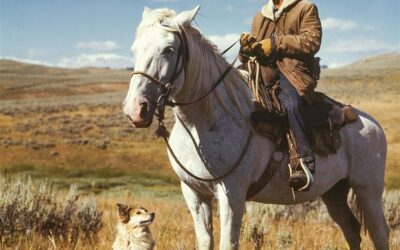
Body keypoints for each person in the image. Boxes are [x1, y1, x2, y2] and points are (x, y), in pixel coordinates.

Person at [239, 0, 322, 191]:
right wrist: (245, 49)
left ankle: (302, 162)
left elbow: (312, 41)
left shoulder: (305, 8)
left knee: (291, 103)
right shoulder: (260, 16)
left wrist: (276, 44)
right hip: (261, 72)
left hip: (292, 73)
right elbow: (250, 53)